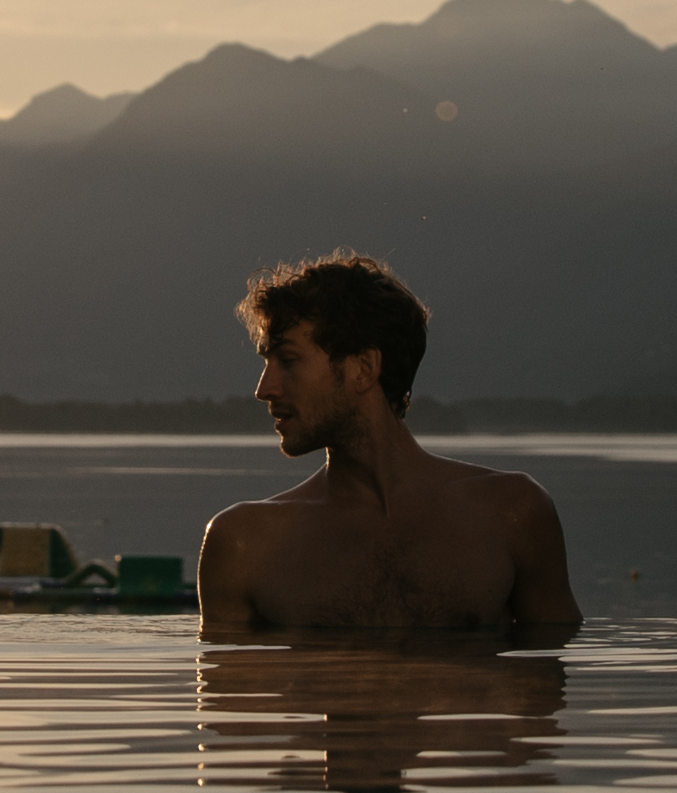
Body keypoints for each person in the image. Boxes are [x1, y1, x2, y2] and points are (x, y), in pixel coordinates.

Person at [198, 251, 581, 644]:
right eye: (267, 363)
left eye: (289, 361)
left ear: (363, 369)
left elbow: (546, 685)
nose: (264, 389)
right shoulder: (244, 543)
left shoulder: (512, 513)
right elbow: (230, 696)